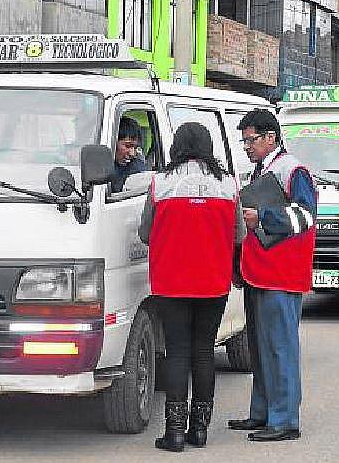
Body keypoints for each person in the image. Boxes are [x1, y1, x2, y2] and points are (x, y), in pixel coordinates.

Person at [139, 122, 245, 453]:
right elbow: (239, 235)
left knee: (177, 352)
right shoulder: (228, 184)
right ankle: (199, 430)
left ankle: (173, 434)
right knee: (203, 352)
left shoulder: (161, 183)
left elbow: (145, 232)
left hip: (171, 282)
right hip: (213, 281)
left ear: (177, 146)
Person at [227, 109, 317, 443]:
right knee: (262, 347)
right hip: (259, 272)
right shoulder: (261, 170)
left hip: (282, 273)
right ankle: (263, 412)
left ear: (270, 138)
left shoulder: (294, 171)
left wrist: (262, 217)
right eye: (244, 140)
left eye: (251, 140)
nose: (247, 146)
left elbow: (306, 216)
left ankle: (285, 419)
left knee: (280, 347)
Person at [111, 116, 147, 192]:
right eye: (127, 146)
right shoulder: (101, 168)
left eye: (135, 147)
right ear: (113, 142)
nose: (132, 153)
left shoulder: (138, 169)